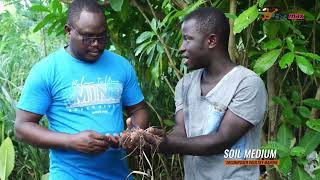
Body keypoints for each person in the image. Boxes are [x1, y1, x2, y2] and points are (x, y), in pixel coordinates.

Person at [14, 0, 148, 179]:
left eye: (102, 37)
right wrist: (72, 142)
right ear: (69, 31)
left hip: (120, 174)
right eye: (88, 37)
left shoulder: (121, 65)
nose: (96, 44)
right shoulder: (46, 70)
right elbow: (22, 127)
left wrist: (132, 134)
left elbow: (138, 109)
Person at [142, 7, 268, 180]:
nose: (181, 48)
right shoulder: (185, 84)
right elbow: (181, 132)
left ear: (211, 41)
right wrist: (149, 140)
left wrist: (168, 144)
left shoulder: (247, 84)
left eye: (187, 39)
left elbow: (221, 140)